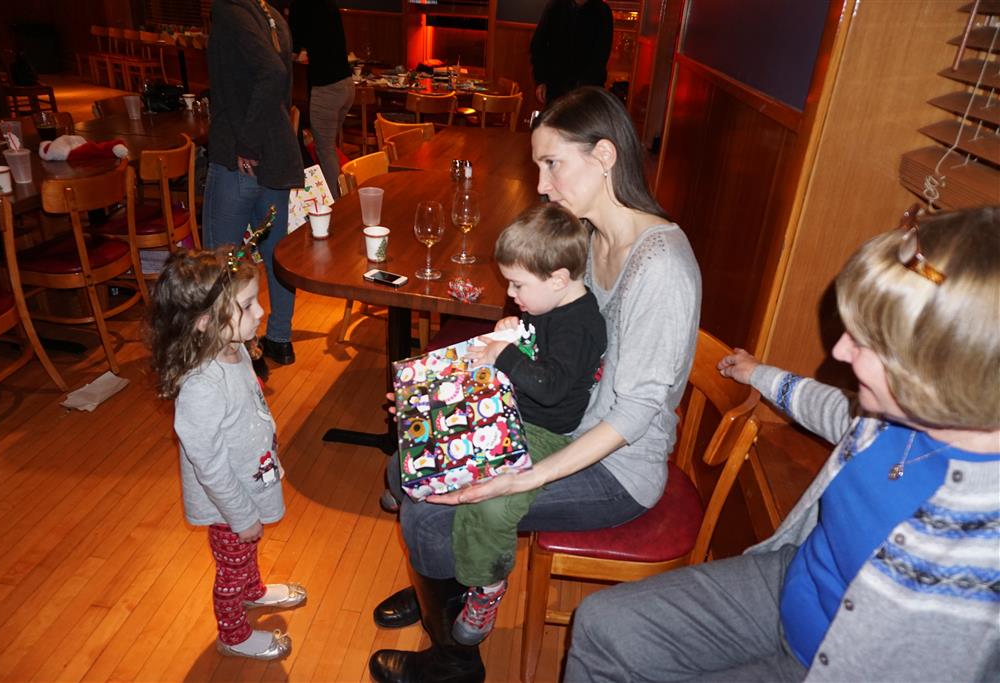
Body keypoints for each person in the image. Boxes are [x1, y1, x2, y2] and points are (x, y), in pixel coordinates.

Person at [565, 205, 1000, 682]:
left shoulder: (986, 542)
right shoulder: (886, 419)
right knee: (603, 626)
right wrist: (761, 374)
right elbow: (833, 407)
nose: (840, 351)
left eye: (868, 344)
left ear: (946, 371)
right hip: (786, 583)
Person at [368, 86, 701, 683]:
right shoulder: (589, 239)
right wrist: (439, 392)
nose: (542, 185)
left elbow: (634, 415)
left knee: (427, 509)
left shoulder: (662, 268)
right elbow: (531, 340)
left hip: (616, 467)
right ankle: (439, 593)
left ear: (604, 156)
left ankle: (454, 660)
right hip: (555, 424)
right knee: (412, 461)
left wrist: (524, 477)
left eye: (552, 164)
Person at [445, 202, 607, 646]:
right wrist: (514, 328)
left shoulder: (581, 325)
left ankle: (487, 586)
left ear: (558, 278)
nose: (511, 292)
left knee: (490, 504)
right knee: (442, 426)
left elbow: (551, 387)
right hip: (512, 410)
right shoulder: (545, 299)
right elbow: (534, 343)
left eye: (518, 285)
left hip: (546, 433)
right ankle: (408, 479)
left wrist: (506, 353)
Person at [145, 245, 309, 661]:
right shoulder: (202, 386)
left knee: (246, 553)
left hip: (247, 483)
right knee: (232, 569)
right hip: (226, 504)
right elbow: (210, 465)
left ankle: (253, 591)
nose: (261, 312)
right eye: (248, 305)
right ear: (205, 321)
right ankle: (233, 634)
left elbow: (249, 413)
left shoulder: (232, 349)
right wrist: (240, 515)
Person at [205, 0, 305, 376]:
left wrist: (247, 143)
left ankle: (228, 348)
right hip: (276, 156)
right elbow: (281, 86)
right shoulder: (270, 14)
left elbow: (272, 73)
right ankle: (278, 339)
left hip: (240, 157)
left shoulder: (229, 11)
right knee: (276, 256)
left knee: (221, 262)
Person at [289, 0, 355, 200]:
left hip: (327, 88)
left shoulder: (300, 5)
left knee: (325, 150)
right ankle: (342, 195)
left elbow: (292, 50)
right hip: (347, 85)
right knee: (329, 148)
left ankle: (338, 204)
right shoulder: (328, 4)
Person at [530, 0, 614, 107]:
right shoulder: (555, 7)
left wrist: (582, 87)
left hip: (588, 90)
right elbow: (538, 46)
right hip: (555, 88)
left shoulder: (602, 11)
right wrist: (541, 80)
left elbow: (601, 56)